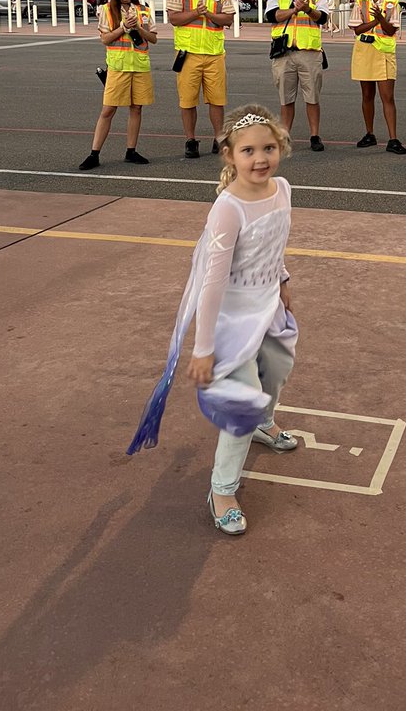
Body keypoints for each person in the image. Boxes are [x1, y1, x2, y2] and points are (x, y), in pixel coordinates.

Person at [127, 105, 299, 537]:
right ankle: (222, 489)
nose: (260, 159)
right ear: (229, 155)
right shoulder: (228, 208)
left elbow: (275, 247)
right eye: (248, 151)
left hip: (267, 305)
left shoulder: (282, 189)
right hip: (231, 316)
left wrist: (282, 282)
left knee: (276, 373)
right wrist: (203, 348)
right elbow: (212, 281)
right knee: (242, 401)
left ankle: (264, 421)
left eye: (269, 148)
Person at [79, 0, 157, 170]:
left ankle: (131, 150)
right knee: (108, 109)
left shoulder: (143, 10)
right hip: (118, 67)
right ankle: (94, 153)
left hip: (139, 66)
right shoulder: (107, 10)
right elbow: (105, 39)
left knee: (136, 108)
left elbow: (153, 38)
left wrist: (138, 28)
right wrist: (123, 27)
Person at [166, 0, 236, 159]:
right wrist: (197, 12)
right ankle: (190, 140)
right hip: (188, 53)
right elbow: (174, 18)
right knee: (187, 101)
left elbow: (228, 19)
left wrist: (210, 14)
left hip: (214, 52)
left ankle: (218, 138)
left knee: (217, 100)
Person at [265, 0, 330, 150]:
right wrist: (294, 9)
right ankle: (284, 136)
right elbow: (272, 16)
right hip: (284, 54)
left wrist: (308, 8)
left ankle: (315, 136)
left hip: (309, 53)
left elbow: (323, 18)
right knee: (286, 99)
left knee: (312, 98)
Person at [349, 0, 406, 154]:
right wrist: (375, 22)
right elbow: (357, 30)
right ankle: (369, 133)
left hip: (384, 53)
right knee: (367, 96)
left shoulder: (392, 3)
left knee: (387, 97)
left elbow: (391, 30)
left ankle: (393, 138)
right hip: (365, 51)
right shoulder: (361, 2)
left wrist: (381, 18)